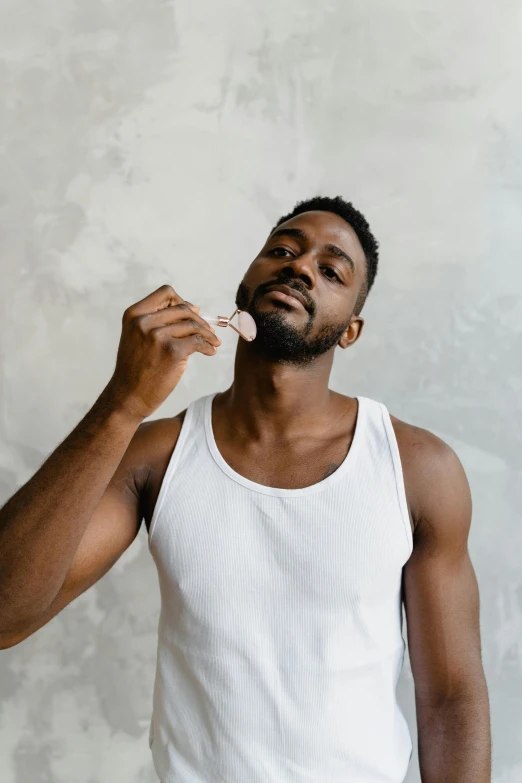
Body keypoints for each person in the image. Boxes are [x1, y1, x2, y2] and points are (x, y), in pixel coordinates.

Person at [0, 196, 491, 782]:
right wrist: (123, 403)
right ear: (245, 283)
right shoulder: (158, 455)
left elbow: (450, 698)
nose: (300, 266)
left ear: (351, 330)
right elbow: (6, 616)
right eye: (282, 249)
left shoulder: (417, 468)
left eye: (331, 270)